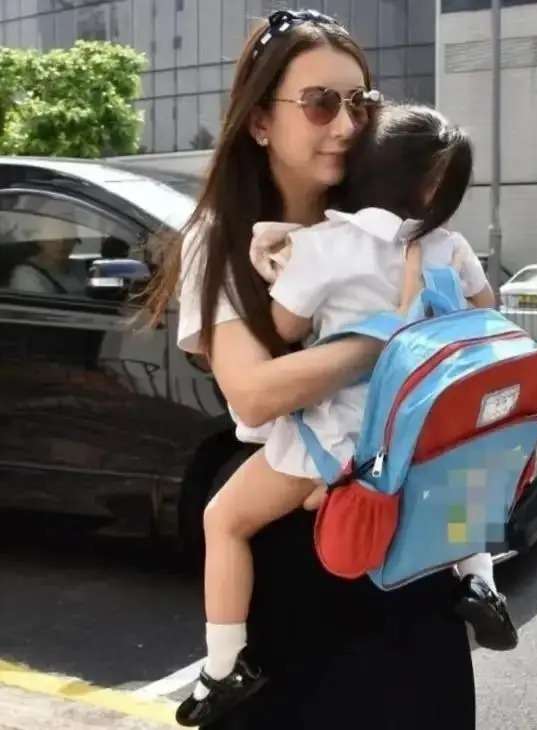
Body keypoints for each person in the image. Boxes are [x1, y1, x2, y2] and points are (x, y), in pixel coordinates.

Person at [148, 9, 477, 729]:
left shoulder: (387, 220)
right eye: (321, 103)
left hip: (403, 529)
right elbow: (254, 393)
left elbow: (475, 343)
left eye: (360, 102)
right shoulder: (222, 240)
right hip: (299, 553)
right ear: (261, 122)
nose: (347, 124)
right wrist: (396, 335)